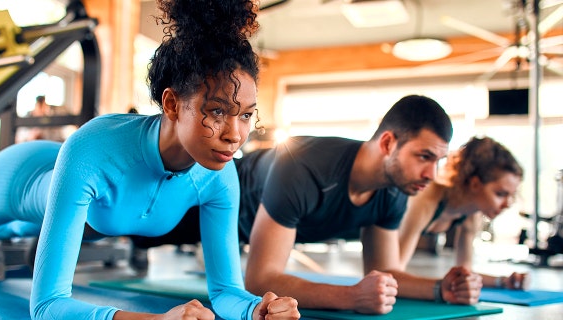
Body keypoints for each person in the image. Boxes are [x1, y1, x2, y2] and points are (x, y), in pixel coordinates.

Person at [0, 1, 300, 319]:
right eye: (217, 112)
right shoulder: (95, 149)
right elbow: (46, 305)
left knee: (36, 226)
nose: (235, 134)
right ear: (171, 104)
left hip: (82, 207)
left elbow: (225, 292)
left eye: (247, 115)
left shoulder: (220, 175)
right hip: (22, 176)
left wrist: (257, 309)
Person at [129, 94, 481, 314]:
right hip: (205, 199)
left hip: (238, 228)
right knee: (126, 226)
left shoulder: (393, 190)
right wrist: (350, 297)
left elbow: (385, 273)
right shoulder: (305, 165)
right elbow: (260, 279)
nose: (432, 173)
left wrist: (440, 288)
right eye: (424, 156)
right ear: (388, 143)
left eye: (438, 161)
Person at [398, 136, 527, 290]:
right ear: (475, 184)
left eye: (511, 195)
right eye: (500, 194)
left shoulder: (472, 213)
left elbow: (465, 274)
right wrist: (442, 289)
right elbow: (392, 272)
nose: (508, 204)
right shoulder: (426, 200)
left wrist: (504, 281)